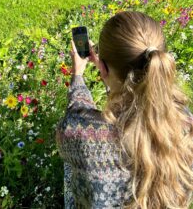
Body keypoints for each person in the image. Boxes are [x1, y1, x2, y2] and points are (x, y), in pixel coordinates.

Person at [56, 11, 193, 209]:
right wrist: (109, 72)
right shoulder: (185, 121)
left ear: (102, 68)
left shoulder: (82, 134)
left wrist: (78, 76)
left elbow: (74, 119)